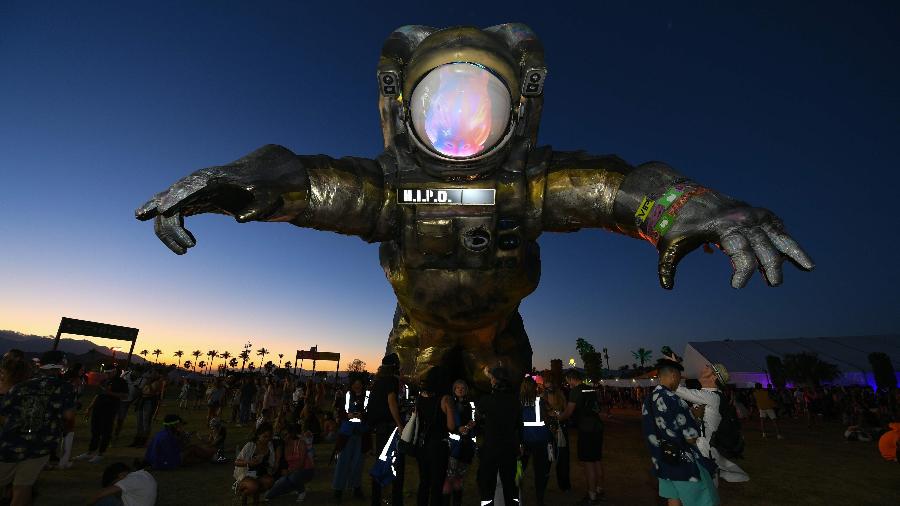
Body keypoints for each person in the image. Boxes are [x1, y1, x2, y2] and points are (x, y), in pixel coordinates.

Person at [0, 350, 76, 506]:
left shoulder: (20, 385)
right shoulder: (64, 387)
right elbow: (69, 416)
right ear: (59, 365)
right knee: (23, 486)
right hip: (41, 446)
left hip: (11, 444)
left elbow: (4, 414)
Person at [643, 352, 718, 506]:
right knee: (704, 500)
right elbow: (690, 437)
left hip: (661, 460)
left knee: (673, 500)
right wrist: (695, 418)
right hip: (683, 463)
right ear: (672, 374)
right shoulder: (674, 400)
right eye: (678, 375)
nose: (679, 380)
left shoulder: (648, 399)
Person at [674, 364, 749, 484]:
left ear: (714, 377)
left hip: (703, 450)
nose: (703, 367)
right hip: (702, 447)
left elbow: (675, 389)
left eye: (708, 367)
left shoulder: (711, 397)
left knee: (704, 488)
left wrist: (673, 368)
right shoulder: (709, 395)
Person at [556, 369, 605, 504]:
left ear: (571, 379)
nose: (567, 384)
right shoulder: (590, 389)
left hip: (587, 429)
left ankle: (592, 495)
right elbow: (597, 407)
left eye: (567, 381)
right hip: (597, 427)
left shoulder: (575, 391)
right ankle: (599, 489)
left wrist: (558, 417)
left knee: (588, 463)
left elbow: (569, 412)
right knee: (597, 460)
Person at [475, 366, 521, 506]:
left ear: (494, 381)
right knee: (510, 486)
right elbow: (519, 426)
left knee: (487, 486)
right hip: (509, 450)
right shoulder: (515, 401)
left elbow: (479, 415)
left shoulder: (486, 401)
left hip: (491, 450)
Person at [367, 353, 406, 506]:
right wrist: (399, 424)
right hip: (389, 429)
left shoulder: (378, 381)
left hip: (380, 429)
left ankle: (376, 500)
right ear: (394, 366)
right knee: (396, 465)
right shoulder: (391, 381)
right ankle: (396, 500)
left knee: (381, 462)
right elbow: (391, 402)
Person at [411, 366, 451, 506]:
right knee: (437, 484)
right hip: (439, 445)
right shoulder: (445, 399)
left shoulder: (420, 398)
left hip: (422, 444)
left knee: (424, 482)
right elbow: (451, 426)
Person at [76, 368, 129, 464]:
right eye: (106, 373)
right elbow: (97, 395)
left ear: (114, 372)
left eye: (108, 373)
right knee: (95, 430)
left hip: (109, 409)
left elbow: (125, 396)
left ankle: (101, 453)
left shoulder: (121, 382)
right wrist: (89, 408)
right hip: (98, 408)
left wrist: (110, 393)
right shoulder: (104, 381)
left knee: (106, 431)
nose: (107, 375)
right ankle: (90, 451)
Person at [332, 376, 369, 502]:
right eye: (355, 383)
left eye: (359, 383)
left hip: (361, 434)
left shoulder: (368, 397)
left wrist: (363, 415)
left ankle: (356, 488)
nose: (357, 386)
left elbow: (371, 413)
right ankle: (338, 490)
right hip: (347, 435)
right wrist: (347, 415)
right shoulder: (346, 397)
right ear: (351, 384)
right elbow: (340, 412)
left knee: (358, 464)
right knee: (343, 462)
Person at [520, 377, 552, 506]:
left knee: (519, 468)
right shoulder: (541, 401)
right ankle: (540, 498)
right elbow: (549, 417)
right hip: (541, 441)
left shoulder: (518, 402)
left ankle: (516, 493)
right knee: (541, 470)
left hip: (524, 441)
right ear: (535, 387)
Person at [443, 379, 475, 506]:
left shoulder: (470, 405)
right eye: (458, 388)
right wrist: (457, 429)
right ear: (454, 390)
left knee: (460, 479)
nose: (460, 390)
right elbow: (446, 425)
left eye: (463, 388)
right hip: (453, 448)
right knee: (449, 478)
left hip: (467, 448)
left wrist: (472, 424)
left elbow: (473, 420)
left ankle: (457, 502)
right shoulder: (450, 404)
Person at [265, 423, 315, 503]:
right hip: (289, 473)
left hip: (306, 470)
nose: (284, 437)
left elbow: (302, 464)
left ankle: (301, 492)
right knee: (269, 495)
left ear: (291, 434)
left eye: (286, 434)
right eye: (282, 435)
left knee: (293, 477)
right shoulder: (282, 446)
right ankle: (294, 487)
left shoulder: (300, 443)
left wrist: (289, 471)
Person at [234, 422, 277, 506]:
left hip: (260, 474)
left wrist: (272, 466)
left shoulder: (270, 445)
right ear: (258, 435)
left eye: (269, 436)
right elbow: (236, 462)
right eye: (265, 436)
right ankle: (242, 490)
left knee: (270, 482)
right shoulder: (250, 445)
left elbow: (271, 463)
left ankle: (252, 497)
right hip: (246, 475)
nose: (267, 439)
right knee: (254, 486)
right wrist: (249, 462)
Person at [89, 462, 157, 506]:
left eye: (114, 483)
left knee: (109, 500)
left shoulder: (128, 480)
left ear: (121, 475)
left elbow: (100, 495)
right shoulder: (141, 474)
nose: (115, 485)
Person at [544, 380, 571, 492]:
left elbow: (565, 412)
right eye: (546, 388)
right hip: (549, 433)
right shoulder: (543, 397)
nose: (548, 390)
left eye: (549, 387)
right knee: (548, 459)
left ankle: (564, 485)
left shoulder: (560, 396)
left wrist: (558, 416)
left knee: (562, 459)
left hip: (560, 432)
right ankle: (543, 485)